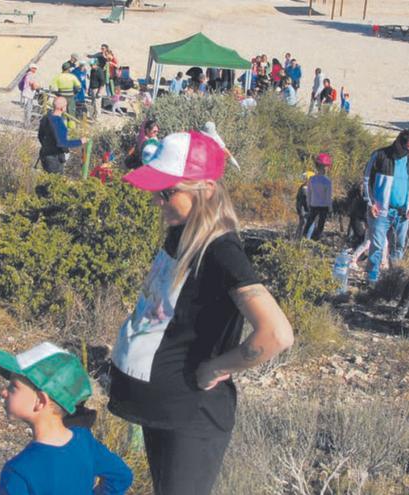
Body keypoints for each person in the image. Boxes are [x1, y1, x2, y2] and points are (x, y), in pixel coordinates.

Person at [109, 130, 294, 494]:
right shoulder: (181, 234)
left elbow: (276, 334)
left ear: (205, 189)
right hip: (162, 409)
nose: (158, 201)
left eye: (168, 192)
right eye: (157, 191)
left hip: (192, 416)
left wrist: (216, 367)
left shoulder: (221, 249)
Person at [0, 342, 133, 494]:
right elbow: (121, 476)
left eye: (13, 387)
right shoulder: (84, 441)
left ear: (40, 401)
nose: (4, 392)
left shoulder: (18, 471)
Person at [362, 129, 409, 283]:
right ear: (400, 143)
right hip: (380, 210)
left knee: (399, 246)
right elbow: (366, 179)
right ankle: (372, 279)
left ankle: (393, 279)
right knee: (377, 246)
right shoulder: (380, 155)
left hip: (403, 212)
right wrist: (370, 203)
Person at [37, 96, 87, 174]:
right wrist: (80, 141)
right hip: (54, 157)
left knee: (47, 179)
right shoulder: (58, 122)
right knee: (54, 182)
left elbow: (40, 136)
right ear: (62, 108)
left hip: (44, 154)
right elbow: (62, 143)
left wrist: (46, 146)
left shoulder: (46, 117)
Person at [303, 153, 333, 240]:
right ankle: (315, 241)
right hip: (324, 207)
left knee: (309, 223)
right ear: (326, 168)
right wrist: (330, 208)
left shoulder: (312, 179)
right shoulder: (327, 181)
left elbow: (309, 193)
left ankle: (305, 240)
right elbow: (328, 197)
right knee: (320, 226)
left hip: (313, 205)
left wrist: (308, 204)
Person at [296, 171, 314, 237]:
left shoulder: (302, 187)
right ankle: (306, 241)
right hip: (306, 212)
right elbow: (307, 203)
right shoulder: (305, 189)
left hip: (302, 211)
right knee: (310, 225)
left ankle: (297, 240)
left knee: (301, 226)